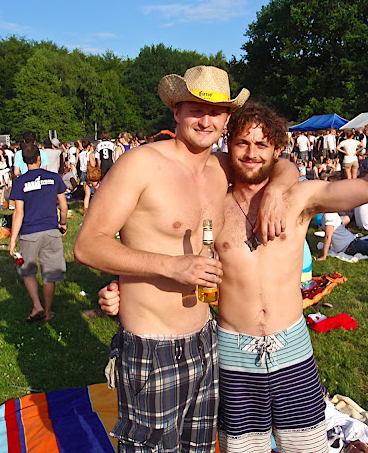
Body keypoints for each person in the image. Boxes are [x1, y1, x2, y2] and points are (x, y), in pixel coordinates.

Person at [97, 70, 368, 452]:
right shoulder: (212, 199)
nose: (251, 153)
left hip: (292, 346)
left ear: (277, 150)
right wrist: (123, 285)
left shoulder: (300, 199)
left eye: (262, 145)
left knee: (306, 447)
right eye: (243, 143)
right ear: (228, 143)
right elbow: (154, 240)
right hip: (232, 354)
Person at [74, 65, 297, 452]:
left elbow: (281, 165)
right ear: (176, 111)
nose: (206, 120)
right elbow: (88, 245)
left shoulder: (221, 167)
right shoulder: (141, 164)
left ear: (226, 119)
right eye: (196, 109)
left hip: (206, 341)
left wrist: (276, 191)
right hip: (152, 346)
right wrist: (170, 265)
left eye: (216, 111)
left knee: (201, 448)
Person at [9, 143, 67, 323]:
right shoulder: (54, 178)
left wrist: (12, 240)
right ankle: (48, 312)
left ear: (24, 161)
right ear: (39, 158)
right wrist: (62, 223)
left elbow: (18, 212)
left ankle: (37, 305)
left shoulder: (19, 182)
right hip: (51, 230)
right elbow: (63, 206)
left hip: (29, 233)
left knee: (27, 270)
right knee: (50, 273)